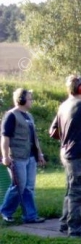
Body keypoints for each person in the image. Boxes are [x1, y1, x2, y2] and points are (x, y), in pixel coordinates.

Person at [49, 75, 81, 237]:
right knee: (79, 192)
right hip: (76, 153)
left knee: (70, 189)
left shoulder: (63, 106)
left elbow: (53, 132)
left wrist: (67, 137)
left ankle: (64, 224)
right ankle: (76, 229)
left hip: (65, 151)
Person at [0, 88, 46, 224]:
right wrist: (5, 156)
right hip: (17, 157)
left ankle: (30, 216)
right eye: (30, 98)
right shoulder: (11, 115)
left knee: (29, 187)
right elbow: (5, 137)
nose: (31, 101)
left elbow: (34, 137)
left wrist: (39, 153)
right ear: (21, 100)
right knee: (18, 186)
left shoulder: (29, 116)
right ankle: (6, 212)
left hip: (30, 157)